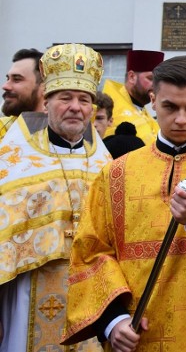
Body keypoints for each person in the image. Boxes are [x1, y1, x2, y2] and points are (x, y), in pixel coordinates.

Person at [62, 55, 186, 352]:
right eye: (170, 107)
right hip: (138, 330)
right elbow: (91, 250)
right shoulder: (115, 173)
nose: (181, 119)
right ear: (154, 100)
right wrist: (113, 319)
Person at [0, 43, 110, 351]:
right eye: (65, 98)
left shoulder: (105, 166)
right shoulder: (14, 159)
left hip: (88, 289)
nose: (76, 107)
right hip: (26, 290)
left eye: (84, 100)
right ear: (46, 103)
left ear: (92, 109)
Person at [102, 49, 164, 144]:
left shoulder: (141, 110)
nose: (156, 85)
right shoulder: (114, 111)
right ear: (132, 77)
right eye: (151, 78)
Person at [1, 48, 45, 140]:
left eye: (17, 79)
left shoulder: (67, 134)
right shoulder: (2, 129)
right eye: (8, 79)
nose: (5, 86)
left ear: (44, 87)